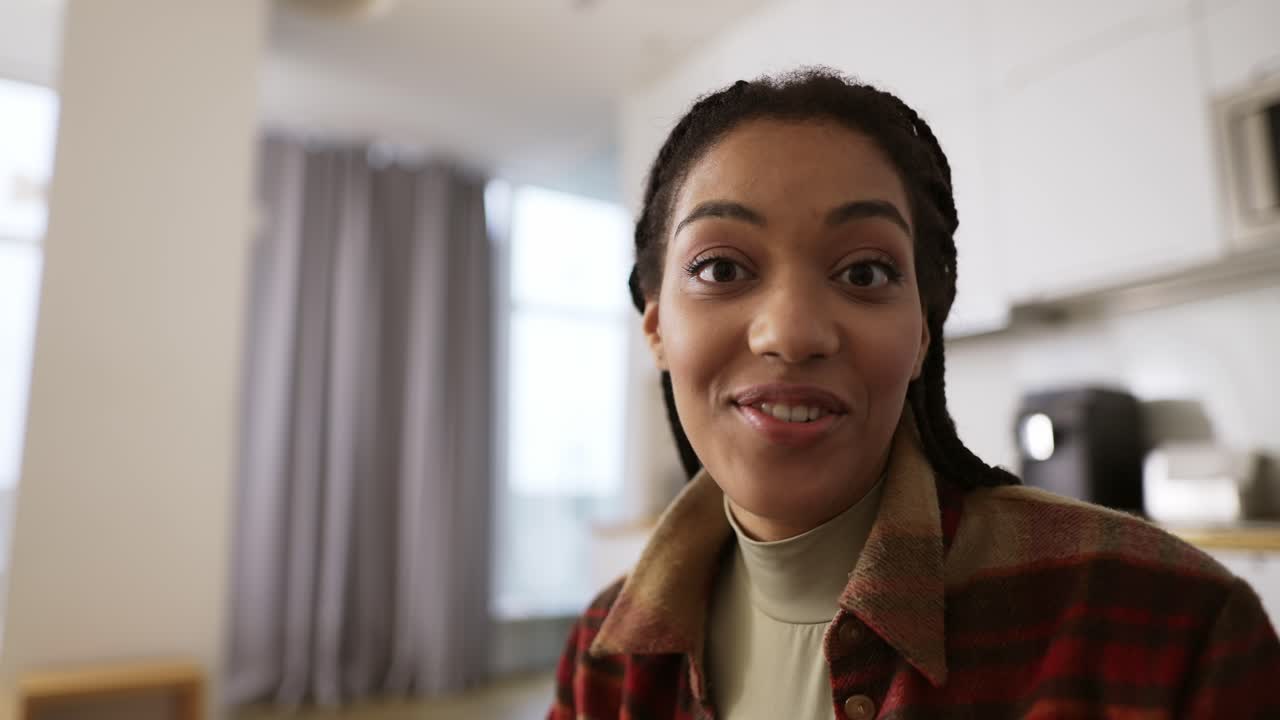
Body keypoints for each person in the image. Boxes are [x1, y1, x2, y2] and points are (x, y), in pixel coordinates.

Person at [548, 69, 1280, 719]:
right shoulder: (602, 662)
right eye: (721, 268)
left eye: (864, 273)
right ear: (656, 328)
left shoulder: (1171, 629)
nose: (793, 333)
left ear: (922, 334)